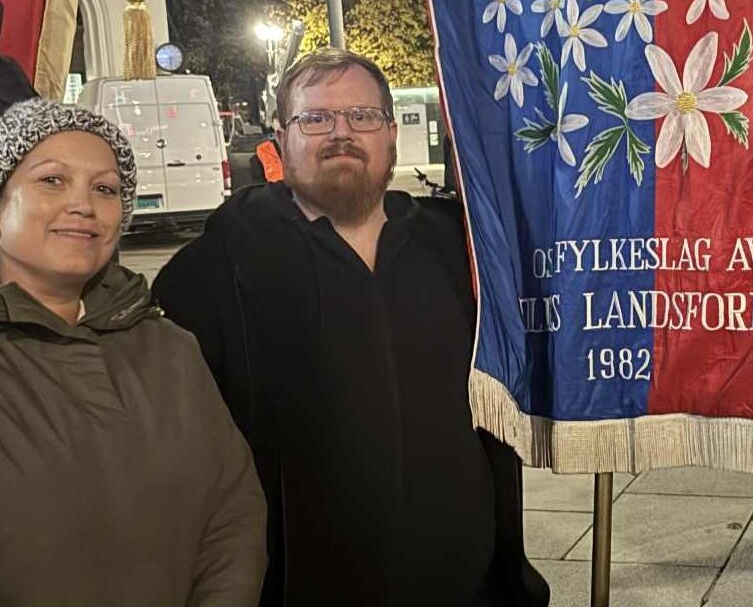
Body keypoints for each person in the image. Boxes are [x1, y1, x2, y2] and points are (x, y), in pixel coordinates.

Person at [153, 48, 549, 607]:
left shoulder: (460, 253)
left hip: (467, 583)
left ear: (390, 134)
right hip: (300, 586)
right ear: (281, 139)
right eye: (315, 119)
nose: (341, 133)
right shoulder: (220, 266)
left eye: (361, 117)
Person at [0, 98, 267, 606]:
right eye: (52, 180)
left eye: (105, 188)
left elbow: (233, 513)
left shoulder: (169, 349)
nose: (83, 204)